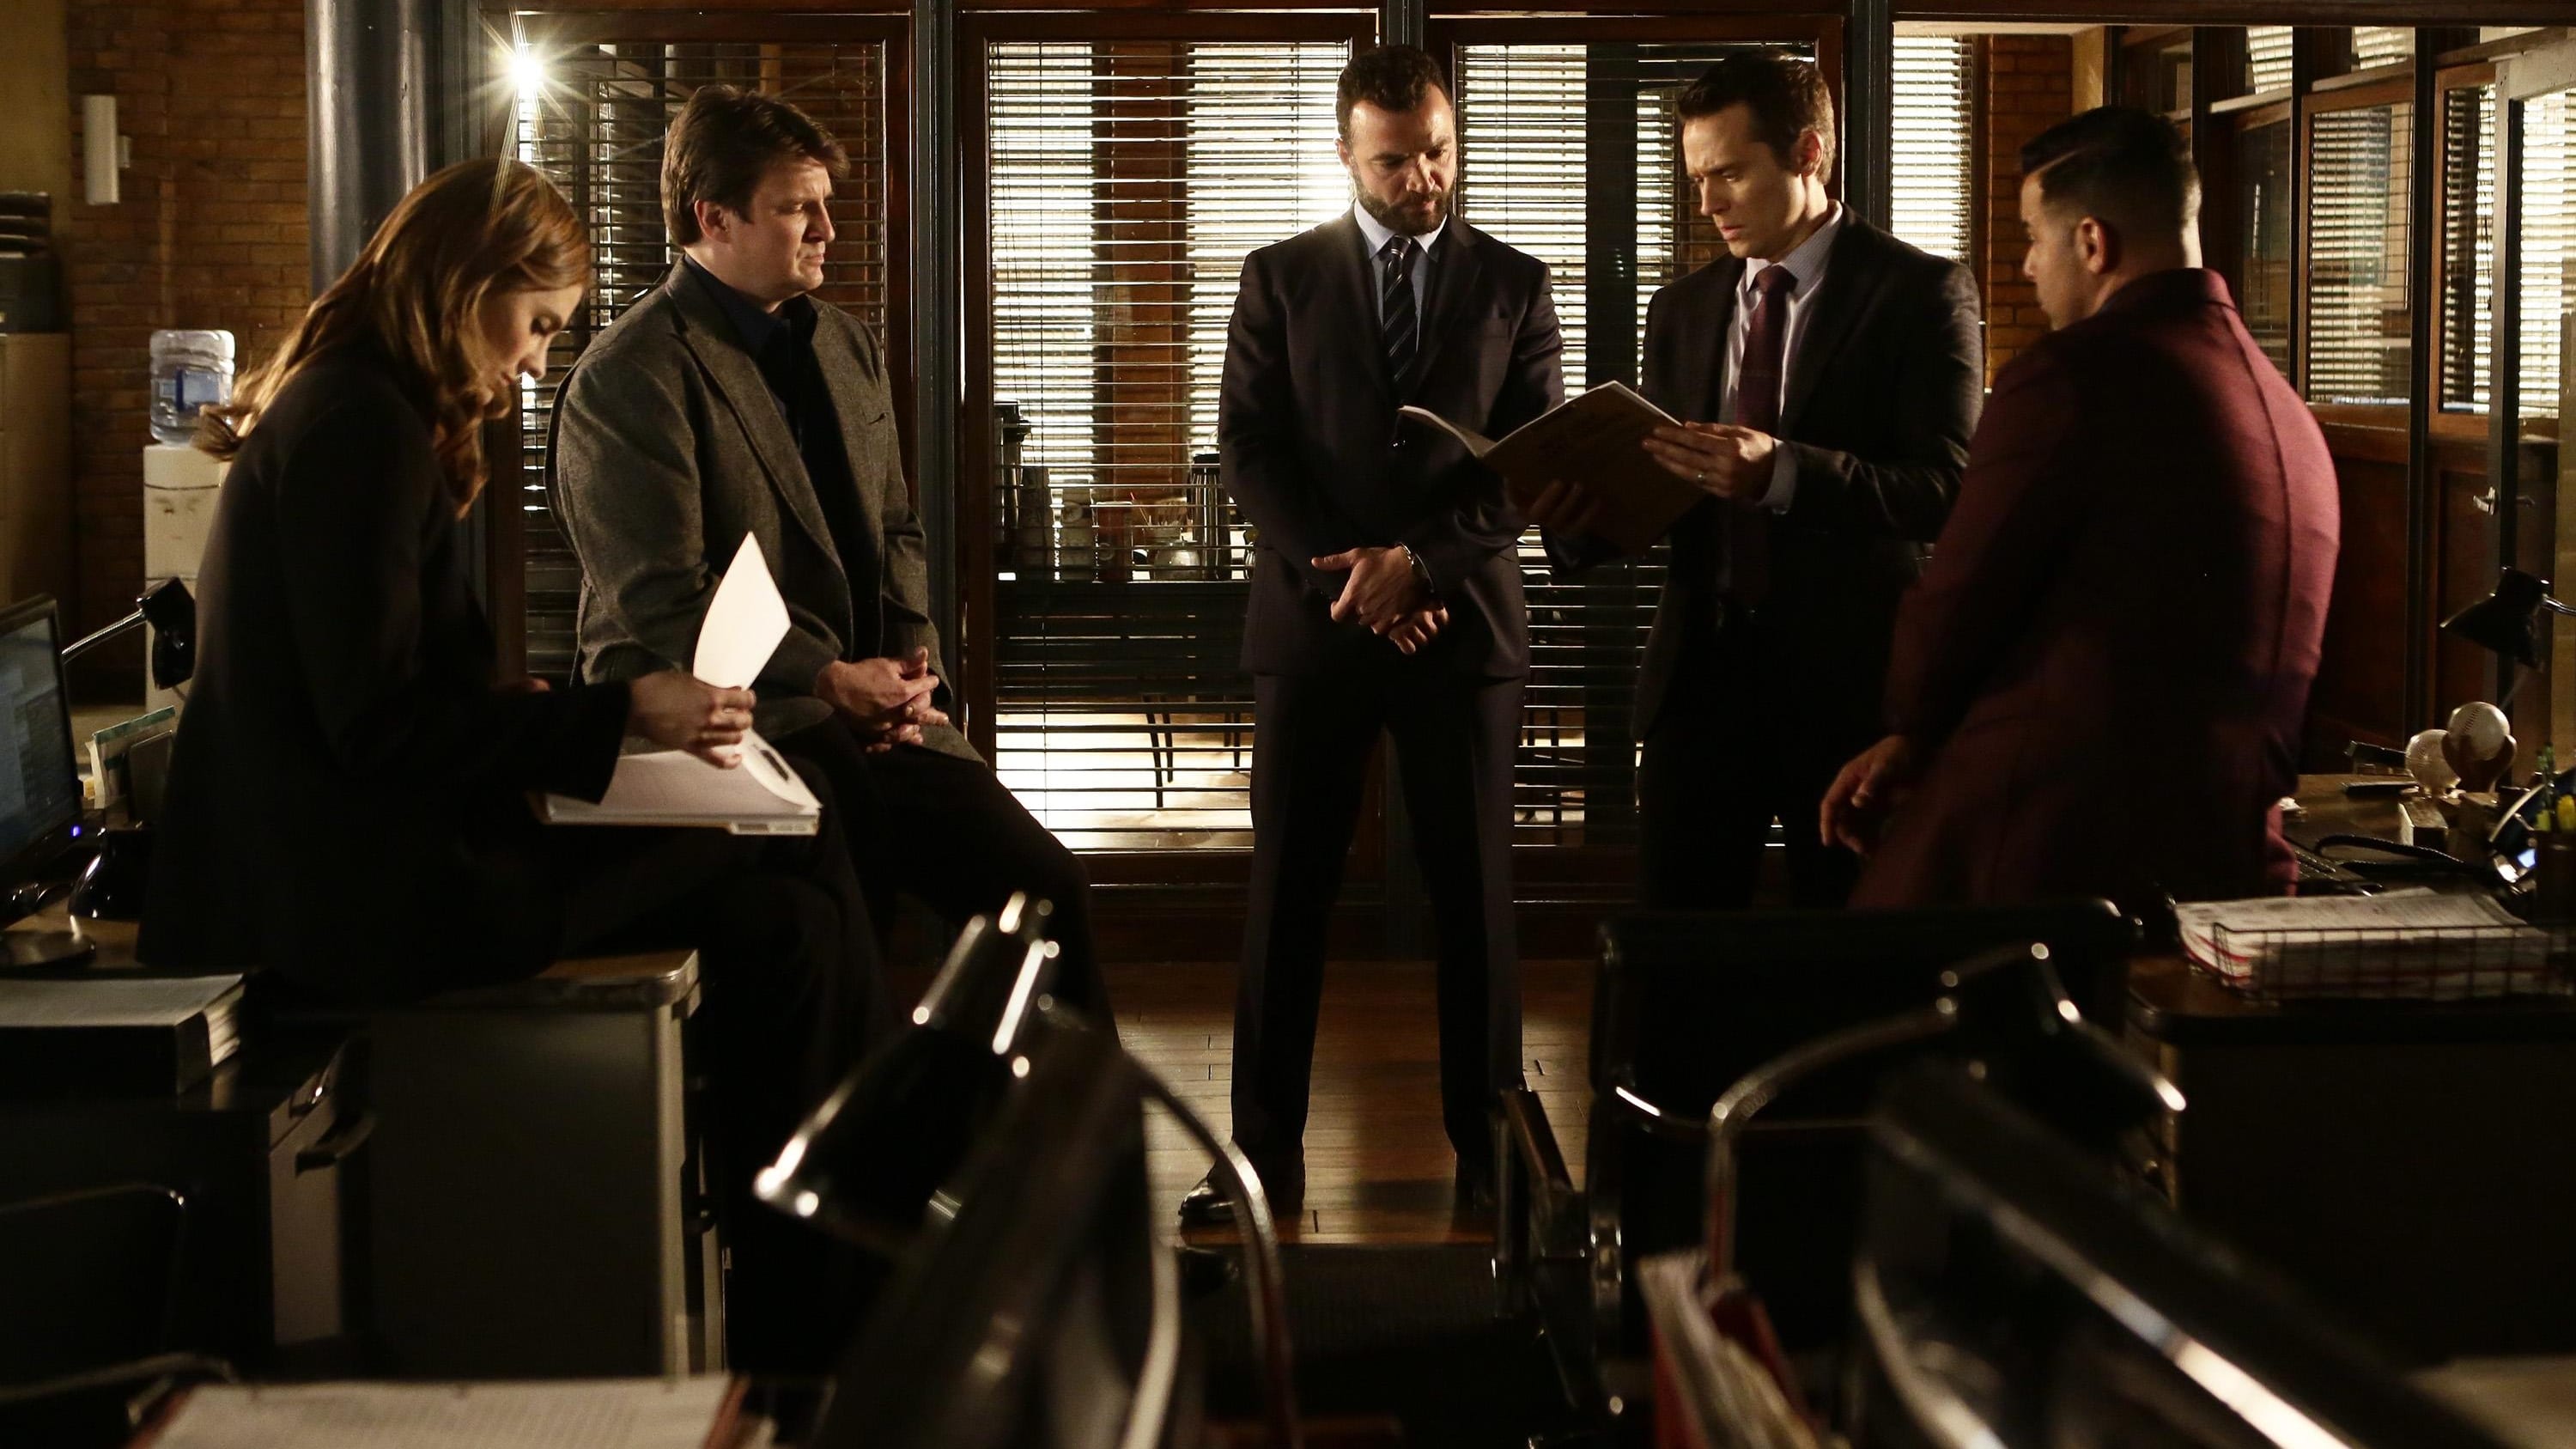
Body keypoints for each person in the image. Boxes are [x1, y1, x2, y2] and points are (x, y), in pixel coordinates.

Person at [139, 158, 880, 1371]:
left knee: (794, 894)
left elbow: (375, 694)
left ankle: (822, 1272)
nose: (536, 365)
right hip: (352, 895)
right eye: (536, 326)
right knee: (794, 872)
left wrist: (528, 710)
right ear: (466, 284)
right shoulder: (359, 428)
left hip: (356, 853)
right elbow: (376, 730)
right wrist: (621, 709)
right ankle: (827, 1285)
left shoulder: (358, 406)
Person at [546, 85, 1109, 1023]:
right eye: (796, 208)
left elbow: (898, 531)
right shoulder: (629, 375)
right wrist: (831, 678)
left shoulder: (845, 344)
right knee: (848, 924)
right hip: (734, 722)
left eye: (824, 205)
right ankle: (880, 1110)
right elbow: (663, 600)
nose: (827, 231)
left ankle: (1060, 1123)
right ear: (712, 218)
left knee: (1045, 886)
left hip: (876, 716)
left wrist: (914, 675)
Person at [1179, 45, 1564, 1226]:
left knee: (1475, 901)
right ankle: (1260, 1157)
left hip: (1463, 627)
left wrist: (1423, 566)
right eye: (1394, 160)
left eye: (1437, 151)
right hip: (1318, 623)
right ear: (1346, 154)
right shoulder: (1279, 275)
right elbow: (1249, 447)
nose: (1421, 177)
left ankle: (1493, 1152)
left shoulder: (1515, 281)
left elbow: (1532, 460)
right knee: (1287, 894)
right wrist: (1358, 574)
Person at [1820, 107, 2339, 910]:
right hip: (2226, 856)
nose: (2028, 264)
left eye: (2033, 236)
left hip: (2050, 853)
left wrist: (1910, 731)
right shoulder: (2280, 402)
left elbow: (1961, 596)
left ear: (2093, 242)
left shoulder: (2074, 376)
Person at [1525, 50, 1982, 910]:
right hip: (1697, 686)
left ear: (1808, 153)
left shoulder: (1919, 293)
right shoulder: (1682, 307)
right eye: (1697, 178)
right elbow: (1671, 480)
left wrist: (1782, 473)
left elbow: (1948, 489)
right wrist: (1579, 517)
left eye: (1729, 174)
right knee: (1682, 955)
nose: (1707, 203)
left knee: (1846, 949)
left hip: (1847, 694)